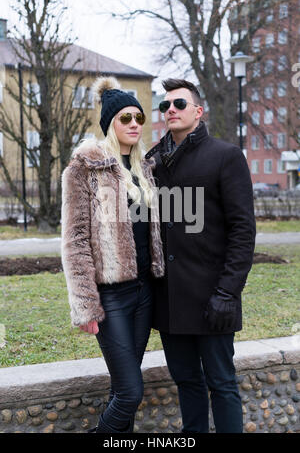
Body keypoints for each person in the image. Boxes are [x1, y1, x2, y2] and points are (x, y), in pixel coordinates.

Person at [145, 78, 256, 433]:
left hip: (214, 298)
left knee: (221, 383)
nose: (171, 111)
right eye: (165, 106)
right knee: (187, 382)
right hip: (170, 299)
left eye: (179, 104)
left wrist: (228, 292)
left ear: (198, 111)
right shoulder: (153, 162)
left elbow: (243, 231)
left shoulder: (226, 156)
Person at [61, 76, 164, 433]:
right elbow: (74, 241)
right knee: (131, 392)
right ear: (109, 123)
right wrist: (86, 305)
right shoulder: (84, 169)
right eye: (126, 118)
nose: (135, 124)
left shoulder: (143, 170)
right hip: (111, 297)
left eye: (139, 118)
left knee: (123, 387)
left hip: (143, 292)